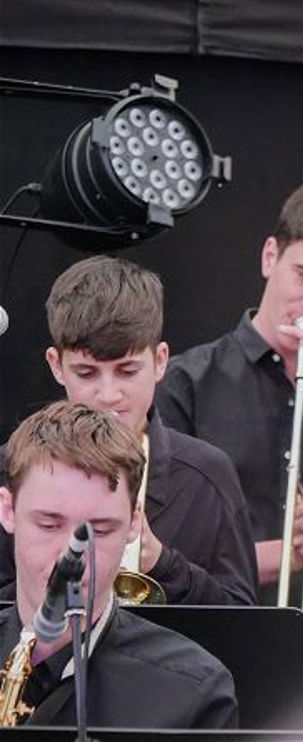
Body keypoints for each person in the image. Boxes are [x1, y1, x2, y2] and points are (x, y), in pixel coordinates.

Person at [155, 179, 303, 620]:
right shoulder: (187, 383)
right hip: (215, 628)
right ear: (270, 257)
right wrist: (286, 554)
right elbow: (164, 547)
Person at [0, 256, 257, 606]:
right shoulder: (10, 468)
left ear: (161, 361)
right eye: (87, 373)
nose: (108, 396)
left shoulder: (207, 474)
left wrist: (161, 562)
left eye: (127, 371)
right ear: (56, 366)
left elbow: (245, 622)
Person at [0, 401, 238, 727]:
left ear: (134, 523)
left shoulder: (194, 691)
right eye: (49, 525)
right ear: (7, 511)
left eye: (98, 530)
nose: (72, 557)